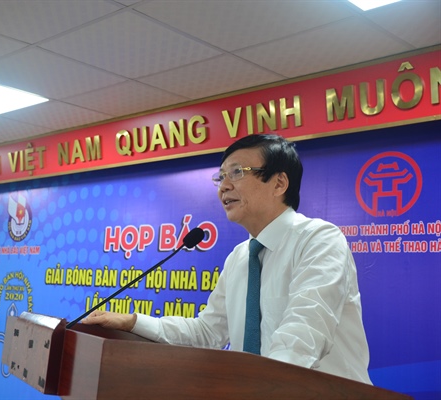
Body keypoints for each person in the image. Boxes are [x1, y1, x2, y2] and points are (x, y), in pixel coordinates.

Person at [82, 134, 372, 384]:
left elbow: (304, 334)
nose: (223, 186)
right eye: (221, 177)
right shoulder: (240, 257)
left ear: (279, 183)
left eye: (236, 173)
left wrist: (257, 389)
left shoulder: (318, 239)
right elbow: (207, 332)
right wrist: (133, 322)